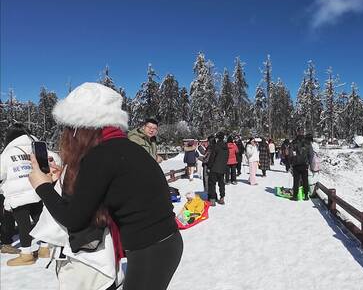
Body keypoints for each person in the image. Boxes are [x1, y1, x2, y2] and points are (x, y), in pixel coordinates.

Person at [28, 83, 182, 290]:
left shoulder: (100, 157)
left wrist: (42, 186)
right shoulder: (124, 147)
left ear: (77, 128)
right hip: (163, 244)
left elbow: (74, 218)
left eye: (67, 128)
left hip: (150, 250)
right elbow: (106, 191)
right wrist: (60, 181)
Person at [0, 123, 59, 266]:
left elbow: (1, 173)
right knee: (40, 219)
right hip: (37, 188)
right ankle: (45, 248)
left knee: (23, 223)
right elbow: (55, 159)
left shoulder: (8, 153)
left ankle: (26, 254)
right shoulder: (36, 146)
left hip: (17, 193)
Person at [206, 132, 228, 206]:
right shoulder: (226, 146)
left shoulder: (216, 146)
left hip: (214, 168)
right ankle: (222, 198)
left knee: (212, 183)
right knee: (221, 183)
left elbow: (212, 158)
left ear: (217, 138)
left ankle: (212, 199)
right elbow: (226, 158)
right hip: (222, 168)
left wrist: (209, 166)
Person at [289, 130, 311, 201]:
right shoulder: (307, 143)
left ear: (297, 133)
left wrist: (291, 162)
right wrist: (309, 162)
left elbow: (290, 153)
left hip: (296, 164)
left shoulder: (293, 142)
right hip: (304, 164)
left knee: (296, 180)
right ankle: (306, 195)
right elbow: (310, 154)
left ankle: (295, 196)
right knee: (305, 180)